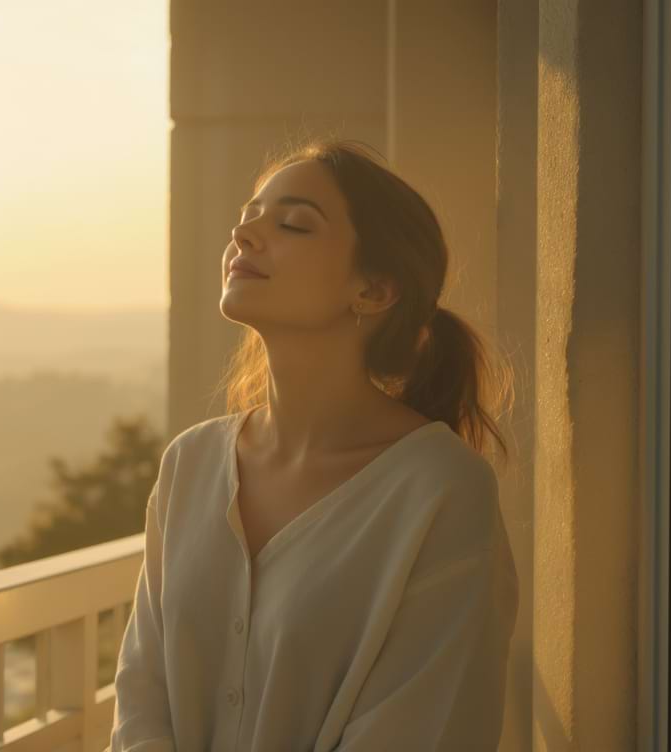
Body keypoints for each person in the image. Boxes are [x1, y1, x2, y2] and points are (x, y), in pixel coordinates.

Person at [109, 139, 519, 751]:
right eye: (248, 217)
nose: (244, 235)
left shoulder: (440, 489)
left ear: (374, 290)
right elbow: (140, 699)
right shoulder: (190, 464)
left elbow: (420, 727)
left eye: (293, 224)